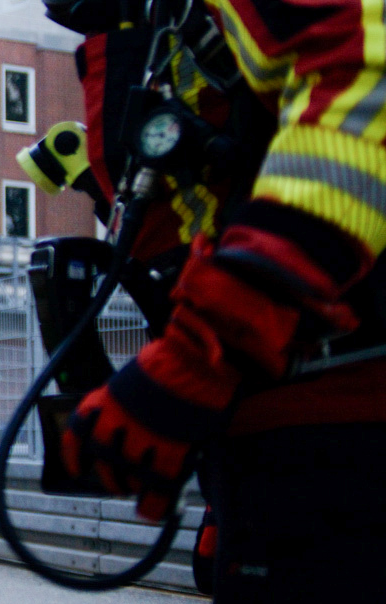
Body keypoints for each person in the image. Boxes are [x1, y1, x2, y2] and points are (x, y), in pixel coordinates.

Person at [43, 0, 386, 600]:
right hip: (276, 435)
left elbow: (366, 89)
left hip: (345, 418)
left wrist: (202, 357)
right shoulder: (153, 27)